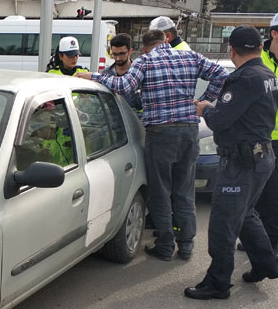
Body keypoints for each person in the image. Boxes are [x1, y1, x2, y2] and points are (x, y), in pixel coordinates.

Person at [76, 30, 229, 261]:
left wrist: (94, 77)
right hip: (189, 130)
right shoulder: (190, 57)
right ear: (166, 41)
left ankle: (166, 246)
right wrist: (199, 101)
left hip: (161, 133)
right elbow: (220, 74)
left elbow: (124, 85)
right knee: (184, 191)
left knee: (161, 191)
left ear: (144, 47)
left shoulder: (146, 61)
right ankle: (186, 244)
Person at [185, 25, 278, 300]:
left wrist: (206, 109)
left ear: (232, 50)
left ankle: (217, 283)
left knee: (223, 223)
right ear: (260, 47)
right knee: (246, 215)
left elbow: (221, 121)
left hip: (242, 163)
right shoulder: (267, 74)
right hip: (262, 157)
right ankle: (266, 264)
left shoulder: (244, 79)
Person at [240, 10, 278, 263]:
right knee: (254, 192)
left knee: (277, 192)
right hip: (256, 137)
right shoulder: (255, 56)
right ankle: (255, 236)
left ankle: (273, 241)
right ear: (275, 33)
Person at [102, 33, 143, 113]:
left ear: (130, 51)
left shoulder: (140, 73)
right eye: (114, 54)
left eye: (121, 54)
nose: (117, 58)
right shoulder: (106, 74)